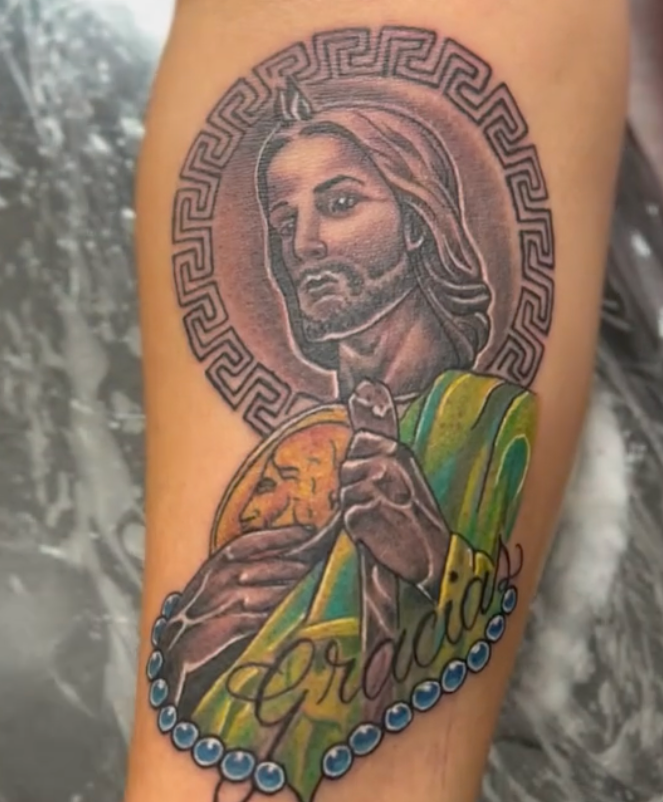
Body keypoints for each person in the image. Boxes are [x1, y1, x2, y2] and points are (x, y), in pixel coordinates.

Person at [127, 3, 629, 802]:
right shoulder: (291, 461)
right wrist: (193, 640)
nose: (302, 246)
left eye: (338, 204)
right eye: (283, 219)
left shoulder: (493, 424)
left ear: (420, 221)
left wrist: (429, 556)